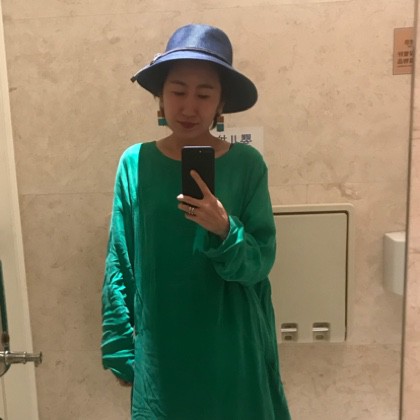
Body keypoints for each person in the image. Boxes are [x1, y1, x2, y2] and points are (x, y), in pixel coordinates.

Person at [101, 23, 291, 420]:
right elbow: (120, 259)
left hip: (231, 345)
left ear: (221, 104)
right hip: (161, 348)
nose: (189, 107)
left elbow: (261, 261)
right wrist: (119, 347)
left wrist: (225, 229)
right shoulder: (134, 163)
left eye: (204, 94)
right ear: (160, 96)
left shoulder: (246, 165)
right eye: (178, 91)